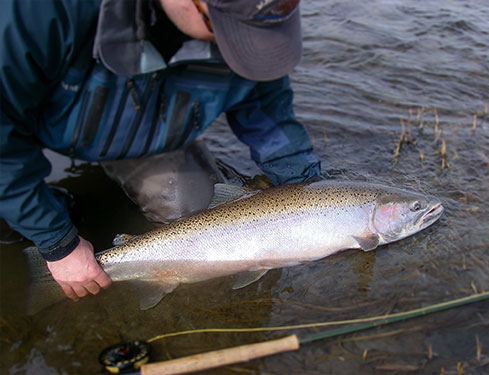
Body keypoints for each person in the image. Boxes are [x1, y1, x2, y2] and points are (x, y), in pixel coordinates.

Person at [0, 0, 320, 304]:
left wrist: (310, 189)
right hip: (26, 119)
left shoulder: (251, 35)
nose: (243, 45)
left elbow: (271, 121)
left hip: (143, 138)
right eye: (219, 24)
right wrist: (58, 244)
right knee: (12, 217)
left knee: (195, 212)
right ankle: (44, 214)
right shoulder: (39, 15)